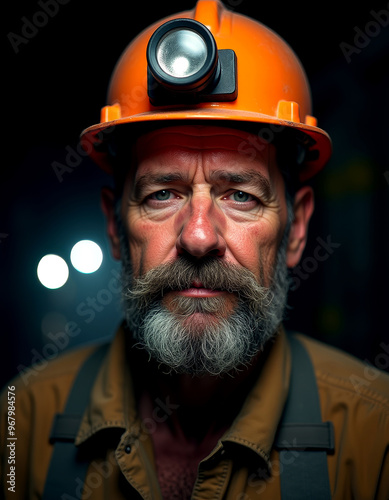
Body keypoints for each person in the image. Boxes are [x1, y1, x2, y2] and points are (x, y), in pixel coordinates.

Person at [1, 1, 389, 498]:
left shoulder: (375, 439)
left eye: (241, 196)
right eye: (163, 194)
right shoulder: (21, 424)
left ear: (296, 230)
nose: (199, 237)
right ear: (115, 228)